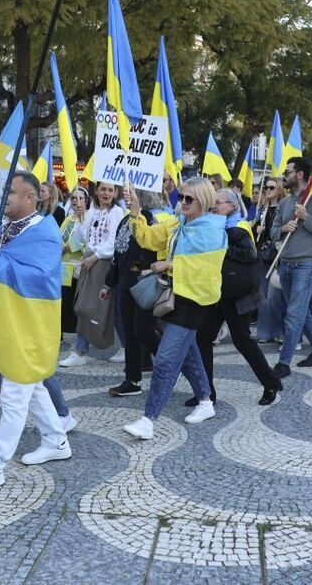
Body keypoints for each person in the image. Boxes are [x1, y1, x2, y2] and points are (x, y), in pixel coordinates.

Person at [0, 173, 71, 490]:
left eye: (12, 192)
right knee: (31, 388)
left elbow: (40, 279)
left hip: (29, 323)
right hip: (5, 318)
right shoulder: (6, 228)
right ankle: (56, 442)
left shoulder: (45, 233)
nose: (5, 197)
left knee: (16, 392)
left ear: (31, 197)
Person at [122, 178, 226, 440]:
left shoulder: (213, 230)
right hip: (175, 295)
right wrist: (135, 210)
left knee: (167, 359)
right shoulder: (177, 224)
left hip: (195, 300)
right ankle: (205, 401)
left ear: (204, 200)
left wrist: (167, 266)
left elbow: (206, 269)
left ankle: (149, 419)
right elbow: (147, 238)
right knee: (188, 352)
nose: (182, 203)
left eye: (188, 199)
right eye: (181, 197)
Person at [193, 189, 283, 406]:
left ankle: (270, 383)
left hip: (236, 295)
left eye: (219, 203)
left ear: (232, 206)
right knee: (203, 339)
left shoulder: (237, 228)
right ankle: (207, 393)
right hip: (218, 292)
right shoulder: (220, 225)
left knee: (243, 342)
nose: (214, 206)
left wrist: (222, 247)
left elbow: (250, 254)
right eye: (213, 203)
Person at [270, 156, 312, 377]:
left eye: (286, 173)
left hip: (307, 265)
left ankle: (284, 363)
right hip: (286, 264)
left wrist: (306, 218)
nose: (283, 177)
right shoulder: (284, 203)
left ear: (299, 174)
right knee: (302, 310)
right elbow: (273, 231)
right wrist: (282, 229)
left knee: (294, 313)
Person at [101, 188, 163, 397]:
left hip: (143, 284)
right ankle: (133, 380)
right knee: (130, 334)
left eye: (131, 195)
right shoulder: (124, 221)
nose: (126, 198)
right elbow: (118, 256)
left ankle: (170, 366)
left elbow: (150, 251)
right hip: (125, 285)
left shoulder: (149, 220)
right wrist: (109, 284)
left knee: (144, 331)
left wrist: (137, 271)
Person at [59, 182, 124, 367]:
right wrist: (80, 219)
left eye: (110, 190)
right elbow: (81, 238)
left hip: (104, 263)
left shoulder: (117, 213)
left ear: (115, 193)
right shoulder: (93, 211)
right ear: (96, 191)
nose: (106, 193)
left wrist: (94, 257)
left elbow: (113, 242)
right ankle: (80, 351)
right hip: (90, 262)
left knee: (108, 308)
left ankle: (127, 346)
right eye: (103, 189)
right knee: (83, 306)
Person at [255, 177, 285, 343]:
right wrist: (256, 229)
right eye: (266, 187)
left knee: (275, 297)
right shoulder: (261, 209)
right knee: (263, 296)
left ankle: (279, 330)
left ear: (279, 189)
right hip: (263, 255)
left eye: (271, 187)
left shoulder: (283, 208)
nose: (267, 190)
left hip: (278, 255)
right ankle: (264, 332)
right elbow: (252, 230)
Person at [59, 186, 88, 334]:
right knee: (64, 299)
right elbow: (60, 236)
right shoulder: (68, 218)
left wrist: (72, 246)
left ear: (86, 200)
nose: (77, 202)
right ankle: (64, 329)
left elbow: (91, 243)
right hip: (64, 266)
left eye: (80, 198)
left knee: (75, 300)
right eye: (74, 198)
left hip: (79, 266)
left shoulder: (89, 218)